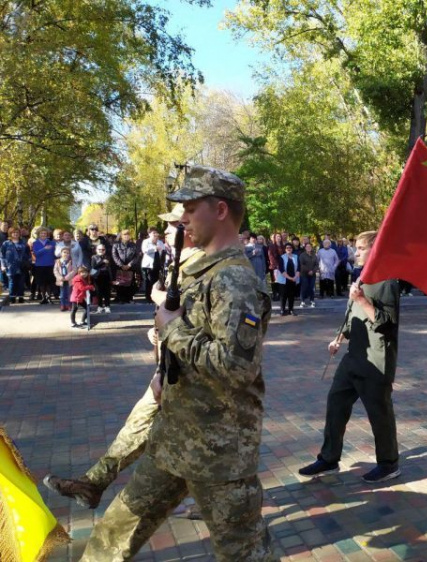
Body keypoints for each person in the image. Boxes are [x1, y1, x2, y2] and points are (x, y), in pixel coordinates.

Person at [77, 166, 276, 562]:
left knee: (245, 554)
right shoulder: (201, 271)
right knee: (113, 535)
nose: (182, 216)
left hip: (218, 454)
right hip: (173, 439)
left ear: (220, 210)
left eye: (190, 206)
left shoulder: (234, 281)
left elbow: (236, 368)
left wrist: (173, 331)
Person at [44, 205, 204, 513]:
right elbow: (176, 317)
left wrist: (164, 315)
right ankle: (94, 484)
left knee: (191, 441)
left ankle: (212, 500)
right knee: (140, 425)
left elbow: (204, 323)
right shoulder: (177, 262)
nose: (167, 231)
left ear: (191, 229)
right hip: (170, 368)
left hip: (191, 375)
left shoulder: (205, 266)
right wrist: (157, 332)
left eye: (174, 225)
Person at [299, 231, 402, 483]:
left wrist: (362, 299)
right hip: (353, 356)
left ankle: (389, 463)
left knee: (379, 413)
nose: (355, 253)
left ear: (374, 251)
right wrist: (338, 338)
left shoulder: (387, 282)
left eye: (360, 248)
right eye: (355, 248)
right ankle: (329, 458)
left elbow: (387, 323)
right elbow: (350, 316)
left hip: (376, 361)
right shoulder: (361, 278)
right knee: (336, 404)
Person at [0, 227, 31, 303]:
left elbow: (28, 254)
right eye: (13, 233)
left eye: (17, 232)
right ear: (10, 234)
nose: (15, 234)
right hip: (10, 266)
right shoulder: (6, 243)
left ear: (19, 234)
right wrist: (3, 265)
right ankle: (12, 297)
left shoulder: (24, 243)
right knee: (12, 282)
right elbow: (2, 255)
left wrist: (28, 263)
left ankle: (20, 297)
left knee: (21, 282)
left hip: (22, 266)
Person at [112, 229, 140, 303]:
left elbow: (137, 256)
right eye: (125, 234)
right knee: (120, 283)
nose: (127, 236)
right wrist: (121, 265)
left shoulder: (133, 245)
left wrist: (129, 264)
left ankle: (129, 298)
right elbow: (114, 255)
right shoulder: (116, 245)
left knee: (130, 283)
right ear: (121, 236)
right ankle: (121, 298)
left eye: (128, 234)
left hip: (130, 267)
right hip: (119, 267)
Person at [32, 227, 57, 304]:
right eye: (41, 233)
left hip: (50, 264)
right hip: (40, 265)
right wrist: (44, 249)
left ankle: (48, 296)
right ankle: (43, 297)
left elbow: (56, 254)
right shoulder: (35, 243)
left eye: (45, 233)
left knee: (49, 282)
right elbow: (35, 254)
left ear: (47, 235)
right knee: (41, 282)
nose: (43, 235)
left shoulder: (52, 243)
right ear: (39, 235)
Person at [140, 227, 164, 304]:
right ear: (149, 234)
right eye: (153, 233)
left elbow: (163, 250)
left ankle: (155, 297)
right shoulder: (146, 241)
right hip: (148, 265)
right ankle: (148, 297)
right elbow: (144, 250)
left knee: (156, 281)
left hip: (157, 264)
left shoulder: (160, 242)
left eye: (156, 233)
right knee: (148, 281)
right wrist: (154, 248)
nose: (155, 234)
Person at [277, 242, 300, 316]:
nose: (289, 249)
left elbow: (299, 268)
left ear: (292, 249)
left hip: (293, 279)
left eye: (290, 248)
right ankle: (282, 310)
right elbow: (281, 270)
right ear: (285, 249)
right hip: (284, 279)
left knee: (291, 295)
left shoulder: (296, 257)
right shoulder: (282, 257)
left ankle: (291, 310)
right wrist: (290, 278)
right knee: (283, 295)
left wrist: (295, 277)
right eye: (287, 248)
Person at [91, 244, 112, 313]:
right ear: (96, 250)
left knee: (107, 293)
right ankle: (100, 306)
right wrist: (102, 262)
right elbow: (94, 266)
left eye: (103, 249)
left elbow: (110, 267)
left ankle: (107, 306)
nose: (101, 251)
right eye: (99, 249)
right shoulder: (94, 257)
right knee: (99, 293)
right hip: (97, 277)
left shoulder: (108, 257)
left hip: (106, 276)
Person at [54, 247, 76, 311]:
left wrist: (67, 277)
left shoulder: (71, 261)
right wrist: (60, 277)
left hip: (69, 279)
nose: (66, 254)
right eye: (64, 252)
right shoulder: (58, 261)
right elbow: (55, 270)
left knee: (69, 293)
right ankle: (62, 305)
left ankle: (69, 305)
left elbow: (74, 270)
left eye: (67, 253)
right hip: (61, 280)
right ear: (61, 253)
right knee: (62, 294)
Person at [299, 242, 319, 308]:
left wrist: (313, 271)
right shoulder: (302, 255)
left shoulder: (314, 255)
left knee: (311, 287)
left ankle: (312, 300)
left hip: (312, 274)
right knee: (304, 286)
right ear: (305, 248)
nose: (308, 248)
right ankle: (302, 301)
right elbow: (301, 264)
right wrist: (308, 271)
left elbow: (316, 264)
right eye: (307, 246)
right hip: (304, 274)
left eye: (310, 246)